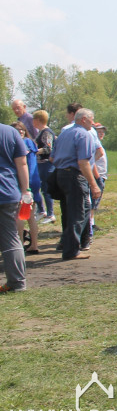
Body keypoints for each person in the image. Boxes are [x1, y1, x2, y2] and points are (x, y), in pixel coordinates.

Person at [50, 108, 101, 260]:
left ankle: (66, 243)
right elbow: (83, 162)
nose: (93, 122)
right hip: (74, 176)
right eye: (92, 119)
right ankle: (71, 250)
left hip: (60, 174)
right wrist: (94, 184)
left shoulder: (65, 133)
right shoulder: (83, 134)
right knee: (80, 212)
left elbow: (52, 158)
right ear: (84, 119)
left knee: (67, 211)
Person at [0, 121, 30, 292]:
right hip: (8, 190)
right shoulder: (10, 132)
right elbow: (22, 163)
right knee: (11, 238)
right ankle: (17, 282)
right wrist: (26, 191)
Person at [11, 122, 39, 255]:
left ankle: (21, 244)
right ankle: (34, 244)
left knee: (20, 215)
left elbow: (22, 165)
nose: (20, 132)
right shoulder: (31, 143)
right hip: (34, 180)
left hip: (24, 182)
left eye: (21, 129)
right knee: (30, 215)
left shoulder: (18, 144)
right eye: (17, 130)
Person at [31, 110, 56, 223]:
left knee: (46, 189)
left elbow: (48, 148)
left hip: (46, 164)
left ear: (38, 120)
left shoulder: (46, 132)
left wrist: (35, 151)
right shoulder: (40, 132)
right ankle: (42, 211)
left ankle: (50, 214)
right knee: (40, 188)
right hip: (40, 164)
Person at [86, 124, 108, 247]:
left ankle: (91, 223)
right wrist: (96, 176)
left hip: (101, 175)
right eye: (99, 131)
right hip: (96, 175)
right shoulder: (93, 145)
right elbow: (91, 160)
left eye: (102, 132)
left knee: (95, 204)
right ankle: (90, 225)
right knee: (92, 202)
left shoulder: (98, 143)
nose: (101, 134)